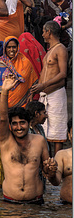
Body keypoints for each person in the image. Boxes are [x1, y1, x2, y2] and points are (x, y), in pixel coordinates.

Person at [0, 74, 50, 204]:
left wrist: (52, 169)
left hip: (36, 202)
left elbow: (47, 171)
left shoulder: (39, 140)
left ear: (28, 123)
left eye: (22, 122)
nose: (19, 127)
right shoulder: (5, 141)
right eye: (14, 123)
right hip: (10, 203)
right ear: (10, 126)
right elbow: (3, 118)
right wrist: (4, 92)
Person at [32, 21, 68, 153]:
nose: (42, 34)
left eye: (43, 31)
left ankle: (57, 162)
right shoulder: (50, 50)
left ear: (49, 32)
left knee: (57, 131)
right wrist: (38, 87)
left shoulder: (61, 49)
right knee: (45, 129)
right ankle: (48, 163)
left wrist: (44, 85)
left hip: (56, 94)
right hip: (45, 96)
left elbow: (63, 74)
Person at [0, 36, 38, 109]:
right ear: (5, 48)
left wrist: (31, 94)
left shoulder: (25, 62)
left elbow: (32, 80)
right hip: (3, 105)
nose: (11, 50)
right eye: (9, 47)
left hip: (23, 104)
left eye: (14, 47)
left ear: (17, 47)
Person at [45, 122, 72, 203]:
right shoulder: (62, 155)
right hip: (65, 208)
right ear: (69, 135)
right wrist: (51, 174)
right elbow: (56, 182)